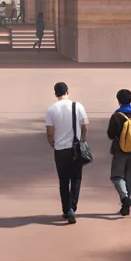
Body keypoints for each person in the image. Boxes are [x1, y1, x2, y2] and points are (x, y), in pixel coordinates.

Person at [44, 81, 89, 224]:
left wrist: (52, 144)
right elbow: (85, 127)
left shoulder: (51, 110)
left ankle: (65, 209)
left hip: (60, 150)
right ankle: (72, 208)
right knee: (76, 178)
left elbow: (49, 132)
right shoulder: (78, 106)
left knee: (63, 181)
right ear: (67, 92)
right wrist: (82, 141)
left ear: (55, 94)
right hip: (75, 148)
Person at [106, 88, 131, 216]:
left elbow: (110, 134)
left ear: (118, 101)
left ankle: (124, 198)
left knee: (116, 176)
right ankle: (128, 203)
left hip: (120, 150)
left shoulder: (116, 116)